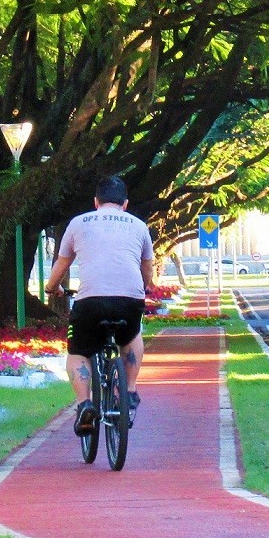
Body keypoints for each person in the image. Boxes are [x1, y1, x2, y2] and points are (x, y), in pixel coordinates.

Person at [44, 175, 153, 436]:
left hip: (90, 302)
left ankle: (84, 405)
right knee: (132, 335)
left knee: (78, 351)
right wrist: (142, 289)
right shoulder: (139, 226)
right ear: (124, 204)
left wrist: (51, 288)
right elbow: (146, 268)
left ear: (96, 202)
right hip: (129, 301)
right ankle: (129, 390)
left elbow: (62, 264)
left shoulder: (79, 223)